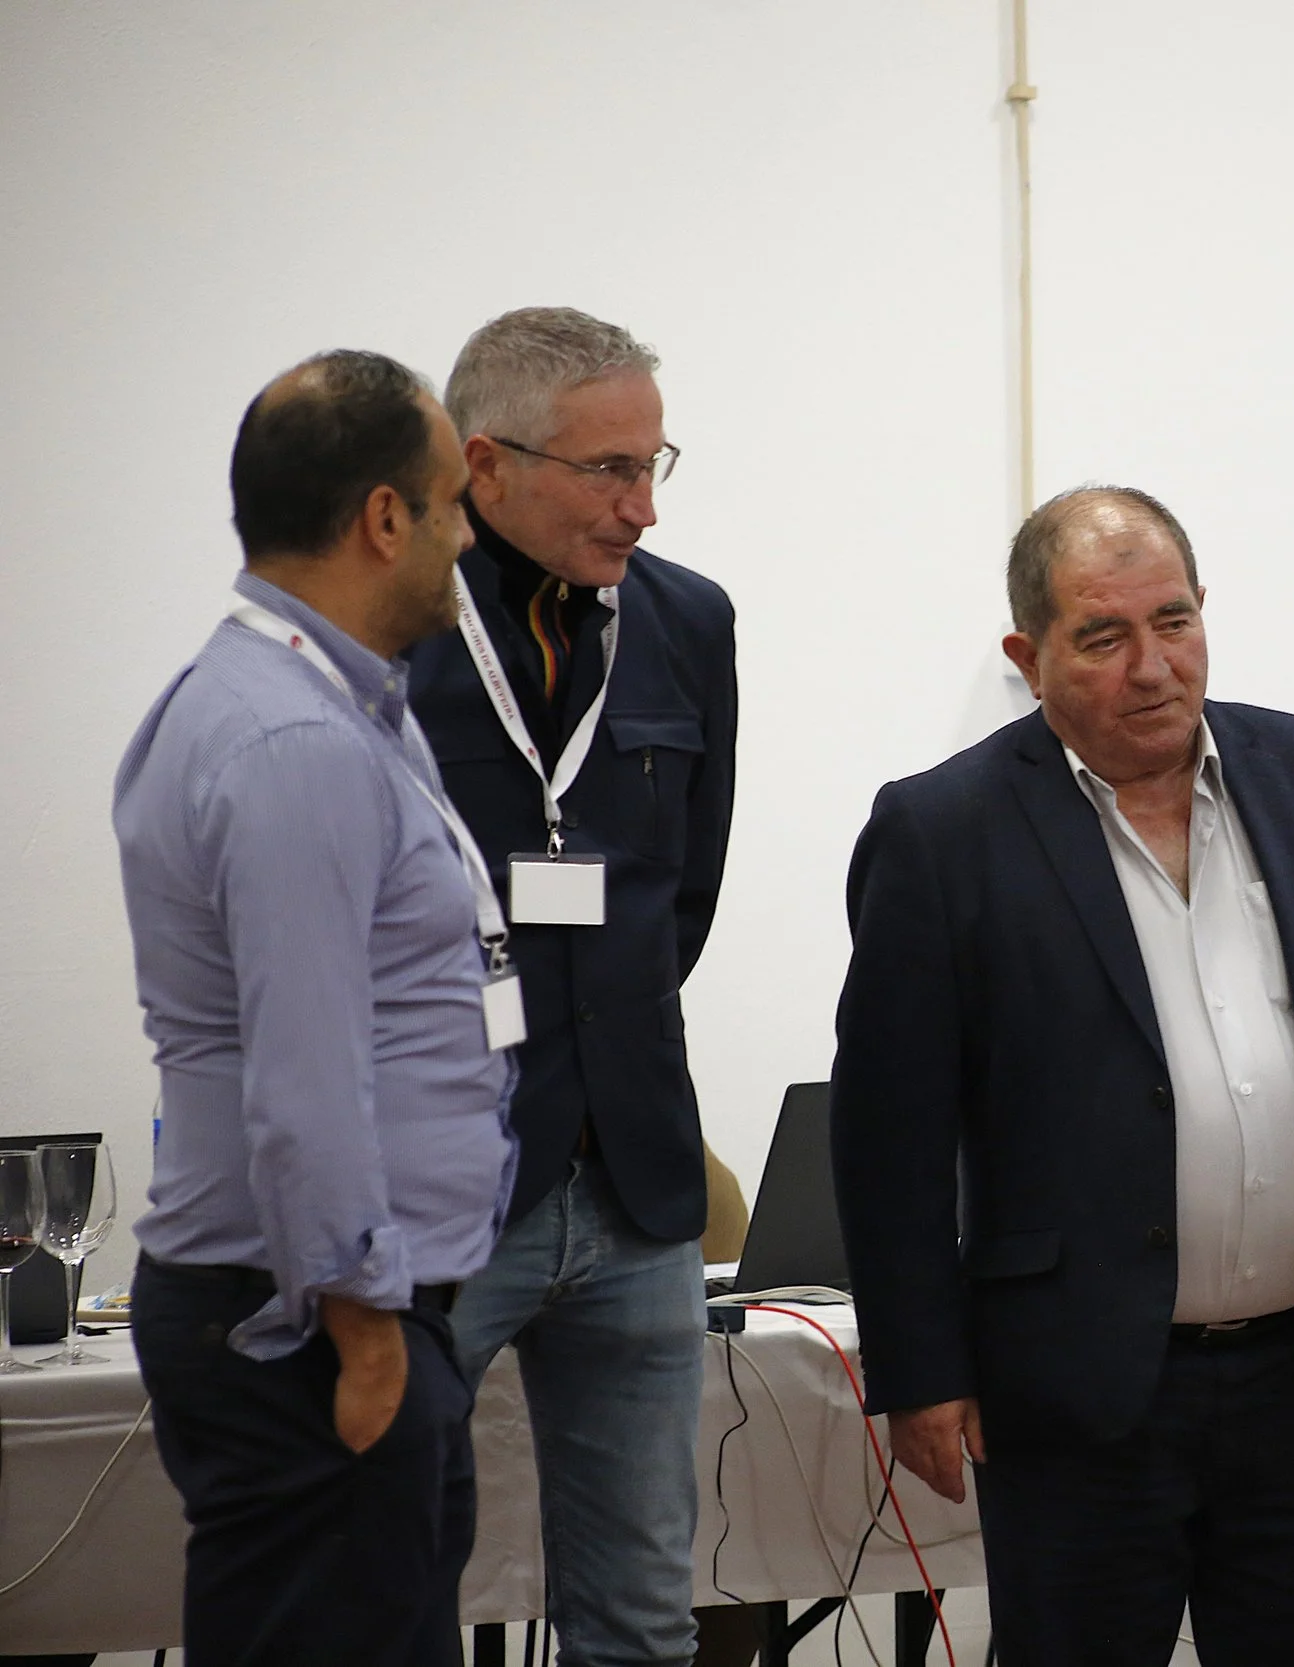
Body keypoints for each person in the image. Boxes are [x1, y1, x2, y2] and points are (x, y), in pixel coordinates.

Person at [831, 487, 1294, 1667]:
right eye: (1102, 636)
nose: (1152, 666)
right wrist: (919, 1367)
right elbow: (891, 1136)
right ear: (1027, 657)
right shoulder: (941, 832)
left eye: (1173, 621)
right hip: (1075, 1387)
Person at [115, 350, 519, 1667]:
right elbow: (306, 1072)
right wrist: (363, 1331)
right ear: (384, 517)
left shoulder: (325, 701)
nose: (468, 535)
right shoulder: (289, 740)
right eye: (455, 503)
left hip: (332, 1307)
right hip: (308, 1322)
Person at [406, 307, 736, 1666]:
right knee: (391, 1583)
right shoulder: (396, 632)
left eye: (658, 464)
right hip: (442, 1191)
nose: (643, 507)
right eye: (609, 471)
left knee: (645, 1612)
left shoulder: (688, 621)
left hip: (638, 1185)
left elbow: (687, 892)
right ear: (485, 463)